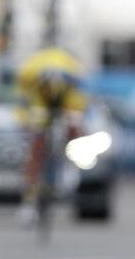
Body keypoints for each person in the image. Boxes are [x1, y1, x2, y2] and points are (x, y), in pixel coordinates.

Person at [14, 45, 87, 227]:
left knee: (74, 126)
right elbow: (23, 103)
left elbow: (77, 107)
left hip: (67, 97)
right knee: (37, 145)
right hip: (37, 101)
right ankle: (29, 202)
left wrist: (73, 124)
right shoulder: (29, 73)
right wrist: (28, 123)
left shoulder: (72, 72)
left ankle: (71, 165)